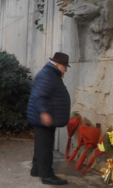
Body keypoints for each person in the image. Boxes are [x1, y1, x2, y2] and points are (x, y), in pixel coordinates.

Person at [27, 52, 71, 186]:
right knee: (45, 148)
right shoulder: (48, 75)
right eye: (65, 66)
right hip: (42, 118)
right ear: (58, 64)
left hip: (43, 117)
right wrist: (44, 113)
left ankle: (36, 169)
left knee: (41, 146)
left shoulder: (51, 74)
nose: (66, 70)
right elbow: (39, 96)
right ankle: (47, 176)